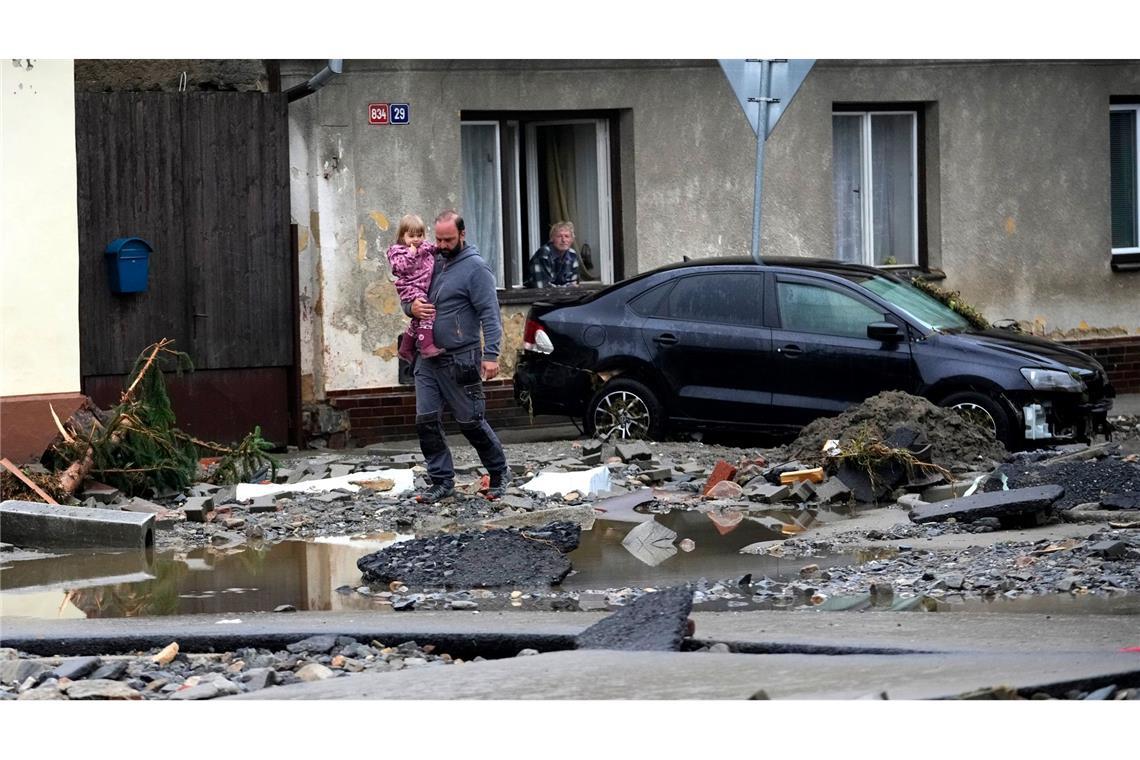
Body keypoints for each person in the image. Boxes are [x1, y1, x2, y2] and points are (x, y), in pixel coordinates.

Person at [406, 209, 510, 503]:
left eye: (448, 239)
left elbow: (490, 314)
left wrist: (491, 355)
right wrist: (410, 309)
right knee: (426, 421)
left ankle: (499, 473)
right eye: (438, 239)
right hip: (427, 359)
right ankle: (441, 481)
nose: (441, 245)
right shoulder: (431, 262)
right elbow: (409, 293)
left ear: (462, 235)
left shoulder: (476, 269)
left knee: (471, 421)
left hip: (461, 358)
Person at [387, 214, 442, 361]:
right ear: (402, 236)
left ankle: (405, 348)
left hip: (421, 288)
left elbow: (435, 248)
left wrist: (441, 246)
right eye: (411, 236)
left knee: (418, 319)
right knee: (428, 312)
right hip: (410, 287)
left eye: (420, 235)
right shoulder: (398, 251)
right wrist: (410, 255)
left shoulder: (423, 247)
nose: (416, 239)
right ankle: (426, 346)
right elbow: (398, 267)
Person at [526, 221, 581, 288]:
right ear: (552, 239)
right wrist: (566, 287)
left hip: (565, 297)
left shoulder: (572, 255)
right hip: (536, 297)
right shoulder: (544, 254)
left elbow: (574, 285)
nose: (563, 240)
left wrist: (564, 287)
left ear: (572, 240)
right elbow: (542, 288)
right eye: (559, 236)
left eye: (567, 236)